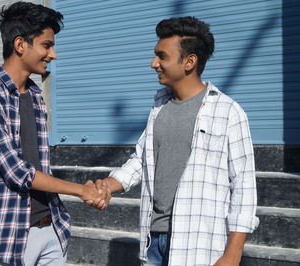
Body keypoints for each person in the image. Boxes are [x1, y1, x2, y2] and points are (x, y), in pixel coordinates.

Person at [96, 17, 259, 265]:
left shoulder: (228, 112)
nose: (154, 64)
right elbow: (141, 160)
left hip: (198, 244)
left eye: (162, 56)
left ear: (189, 62)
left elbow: (244, 188)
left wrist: (232, 254)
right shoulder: (160, 107)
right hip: (154, 240)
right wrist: (108, 184)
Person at [0, 2, 110, 265]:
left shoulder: (35, 95)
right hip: (8, 242)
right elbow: (17, 171)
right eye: (46, 45)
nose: (53, 54)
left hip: (51, 231)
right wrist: (81, 190)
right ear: (20, 45)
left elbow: (40, 164)